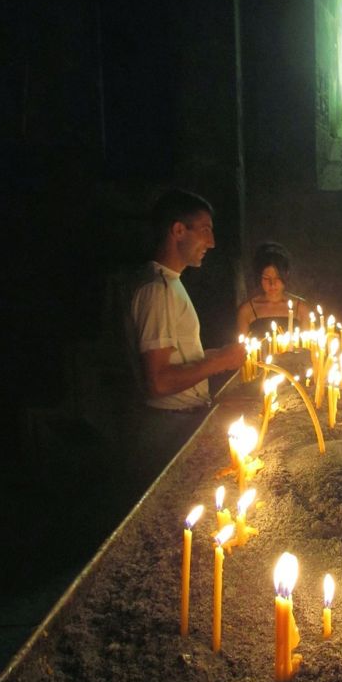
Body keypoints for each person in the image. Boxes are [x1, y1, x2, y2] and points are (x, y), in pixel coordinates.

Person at [127, 188, 246, 488]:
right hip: (169, 426)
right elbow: (159, 382)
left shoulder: (170, 284)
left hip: (181, 419)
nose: (212, 242)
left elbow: (175, 358)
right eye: (205, 230)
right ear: (178, 230)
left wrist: (212, 354)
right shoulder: (157, 290)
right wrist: (219, 362)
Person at [237, 241, 310, 338]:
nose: (272, 284)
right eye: (266, 278)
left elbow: (307, 347)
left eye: (278, 277)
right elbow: (241, 349)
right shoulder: (247, 310)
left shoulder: (300, 308)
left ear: (286, 274)